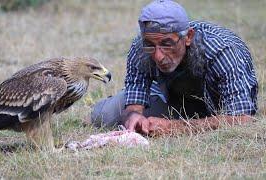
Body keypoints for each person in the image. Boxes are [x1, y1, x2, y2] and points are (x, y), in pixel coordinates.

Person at [90, 0, 258, 136]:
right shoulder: (140, 47)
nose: (158, 56)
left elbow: (243, 117)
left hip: (217, 109)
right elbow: (135, 101)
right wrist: (133, 116)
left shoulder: (222, 50)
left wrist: (175, 127)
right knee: (104, 115)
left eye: (167, 44)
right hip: (170, 100)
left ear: (188, 37)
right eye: (150, 45)